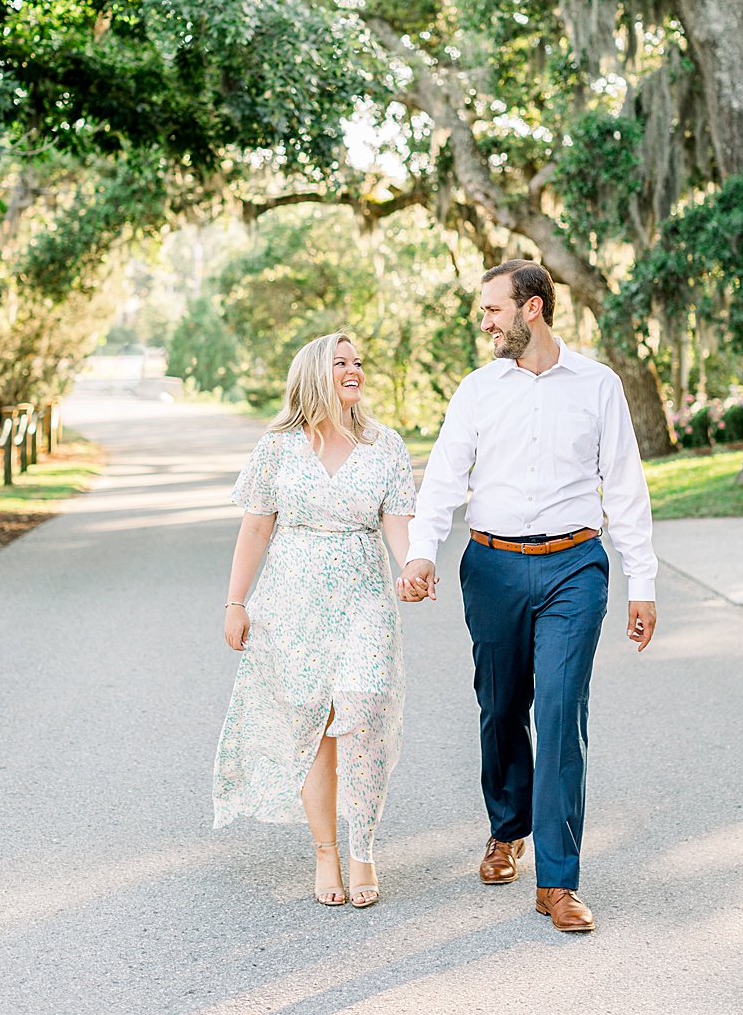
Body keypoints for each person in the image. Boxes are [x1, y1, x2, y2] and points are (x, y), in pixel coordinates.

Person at [397, 259, 658, 933]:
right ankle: (506, 827)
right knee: (501, 707)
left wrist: (643, 583)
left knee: (563, 713)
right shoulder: (477, 391)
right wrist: (421, 553)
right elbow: (444, 480)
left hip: (576, 566)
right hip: (493, 567)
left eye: (492, 309)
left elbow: (625, 487)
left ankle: (558, 882)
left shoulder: (598, 385)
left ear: (532, 308)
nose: (484, 321)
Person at [214, 333, 416, 909]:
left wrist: (414, 567)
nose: (353, 370)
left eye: (358, 362)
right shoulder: (278, 446)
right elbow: (255, 527)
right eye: (341, 363)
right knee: (313, 725)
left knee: (364, 707)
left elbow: (399, 523)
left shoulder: (385, 445)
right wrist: (236, 602)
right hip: (290, 601)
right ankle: (327, 853)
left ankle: (363, 847)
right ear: (313, 375)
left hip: (364, 596)